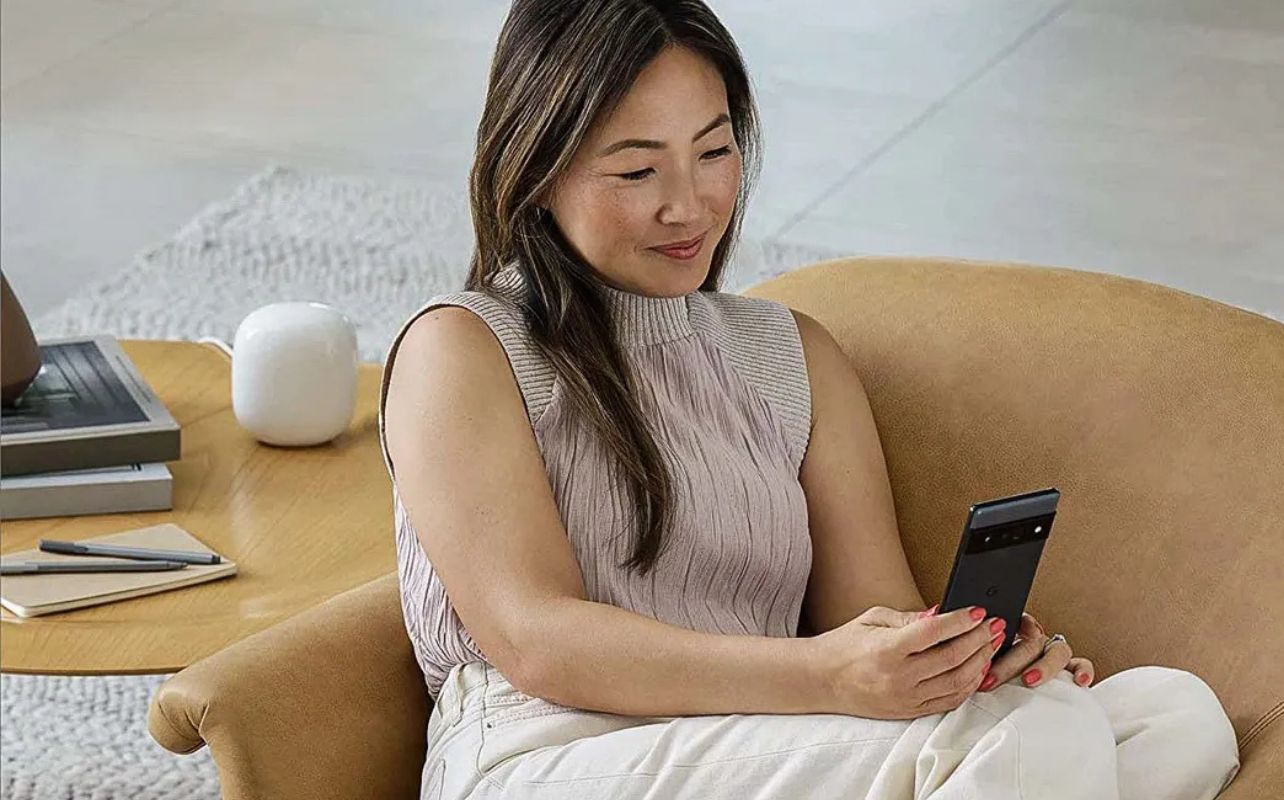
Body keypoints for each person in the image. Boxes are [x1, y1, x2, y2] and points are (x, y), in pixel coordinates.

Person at [378, 2, 1240, 798]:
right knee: (1040, 743)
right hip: (547, 751)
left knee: (1174, 716)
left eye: (714, 152)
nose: (690, 205)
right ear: (534, 168)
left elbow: (874, 617)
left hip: (783, 736)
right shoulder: (464, 348)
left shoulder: (793, 356)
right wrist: (828, 677)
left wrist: (952, 659)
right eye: (638, 170)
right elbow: (536, 639)